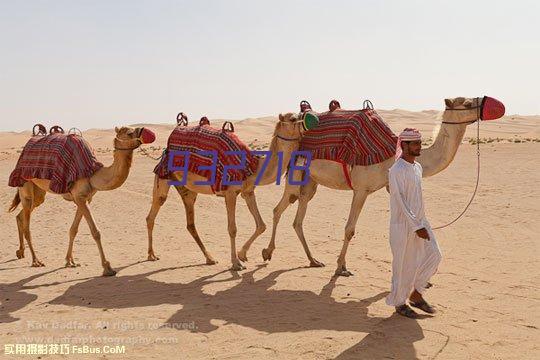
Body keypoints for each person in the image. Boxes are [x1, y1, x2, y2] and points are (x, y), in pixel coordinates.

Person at [386, 128, 442, 318]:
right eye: (415, 143)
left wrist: (421, 223)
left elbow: (416, 199)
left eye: (420, 142)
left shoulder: (417, 168)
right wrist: (416, 226)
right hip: (402, 227)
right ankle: (400, 303)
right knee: (403, 266)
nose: (419, 146)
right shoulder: (396, 170)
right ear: (404, 145)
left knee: (434, 255)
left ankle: (416, 293)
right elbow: (401, 202)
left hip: (420, 223)